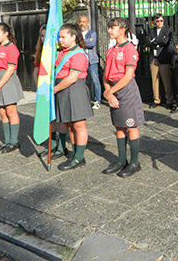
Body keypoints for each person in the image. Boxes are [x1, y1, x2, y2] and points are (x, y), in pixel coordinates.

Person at [102, 17, 145, 177]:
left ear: (123, 29)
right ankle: (121, 160)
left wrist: (109, 92)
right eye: (109, 27)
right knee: (119, 126)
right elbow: (106, 75)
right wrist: (108, 91)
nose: (109, 30)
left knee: (131, 126)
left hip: (126, 90)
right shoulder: (111, 50)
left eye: (113, 27)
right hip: (112, 89)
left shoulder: (130, 49)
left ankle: (134, 162)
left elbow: (127, 76)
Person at [54, 23, 93, 171]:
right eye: (59, 37)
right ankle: (75, 152)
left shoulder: (78, 54)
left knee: (78, 125)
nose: (60, 39)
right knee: (70, 124)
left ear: (73, 37)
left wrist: (55, 89)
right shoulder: (63, 52)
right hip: (63, 90)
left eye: (63, 37)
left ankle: (79, 157)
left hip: (74, 90)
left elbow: (72, 77)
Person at [32, 25, 68, 159]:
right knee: (49, 120)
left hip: (57, 88)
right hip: (44, 89)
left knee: (60, 119)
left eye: (46, 36)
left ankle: (62, 146)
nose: (44, 39)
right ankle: (52, 145)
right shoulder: (40, 52)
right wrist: (39, 88)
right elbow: (36, 71)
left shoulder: (59, 52)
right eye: (42, 36)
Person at [0, 22, 24, 154]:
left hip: (6, 82)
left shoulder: (11, 48)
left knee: (11, 111)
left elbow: (10, 69)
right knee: (2, 112)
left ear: (6, 33)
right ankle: (7, 140)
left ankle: (14, 141)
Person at [147, 14, 173, 109]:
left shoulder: (167, 30)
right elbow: (148, 42)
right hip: (153, 58)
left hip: (163, 58)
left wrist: (155, 41)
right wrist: (158, 41)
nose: (159, 23)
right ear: (154, 22)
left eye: (161, 21)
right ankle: (156, 99)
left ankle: (169, 100)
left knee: (166, 81)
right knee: (154, 80)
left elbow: (165, 41)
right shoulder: (151, 30)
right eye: (157, 21)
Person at [78, 16, 101, 110]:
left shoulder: (92, 33)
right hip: (81, 61)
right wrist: (86, 42)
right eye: (81, 22)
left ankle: (97, 101)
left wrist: (81, 43)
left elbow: (92, 44)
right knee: (82, 81)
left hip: (92, 61)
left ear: (88, 23)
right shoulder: (77, 34)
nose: (82, 23)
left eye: (84, 22)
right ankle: (84, 99)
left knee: (95, 80)